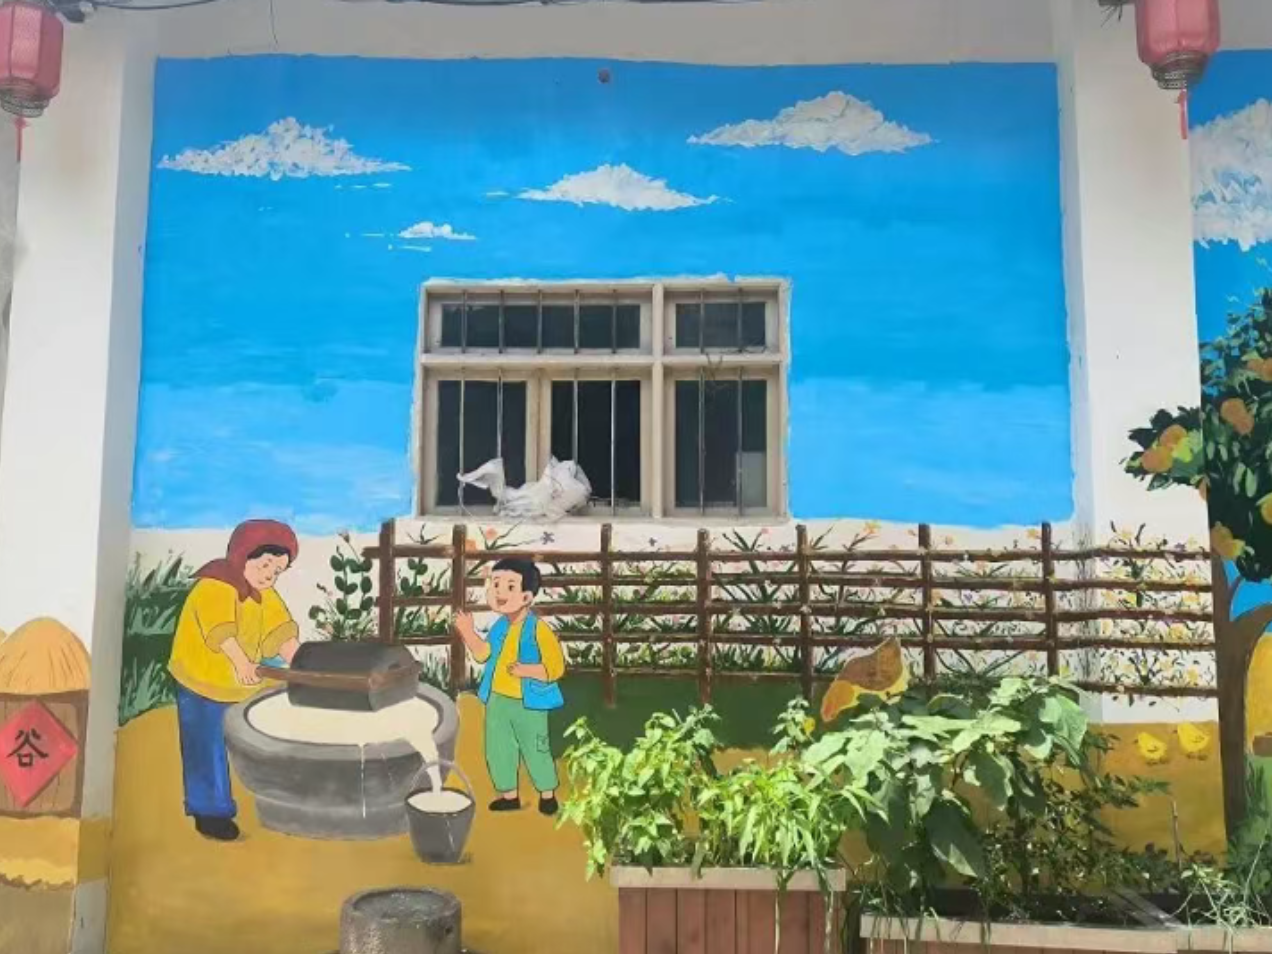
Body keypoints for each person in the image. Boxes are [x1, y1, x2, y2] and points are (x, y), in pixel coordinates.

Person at [168, 519, 301, 841]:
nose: (270, 575)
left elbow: (280, 633)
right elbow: (221, 632)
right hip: (200, 681)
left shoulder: (265, 595)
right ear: (243, 554)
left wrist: (302, 664)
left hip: (238, 684)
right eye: (265, 564)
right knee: (206, 744)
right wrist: (242, 662)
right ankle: (210, 811)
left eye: (278, 570)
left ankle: (280, 796)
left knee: (257, 730)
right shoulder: (216, 585)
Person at [454, 558, 566, 816]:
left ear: (526, 597)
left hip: (529, 702)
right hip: (497, 699)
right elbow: (483, 654)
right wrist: (468, 632)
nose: (499, 592)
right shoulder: (500, 627)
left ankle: (547, 793)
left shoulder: (538, 630)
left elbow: (555, 667)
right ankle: (509, 795)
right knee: (498, 748)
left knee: (535, 747)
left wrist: (528, 671)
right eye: (495, 584)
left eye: (509, 586)